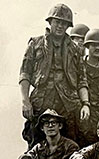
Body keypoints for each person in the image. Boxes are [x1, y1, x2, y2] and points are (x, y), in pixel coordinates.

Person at [20, 3, 90, 148]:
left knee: (71, 141)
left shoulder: (75, 49)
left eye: (64, 23)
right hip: (41, 100)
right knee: (36, 141)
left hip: (68, 103)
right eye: (57, 22)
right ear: (50, 21)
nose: (60, 26)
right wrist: (25, 101)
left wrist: (85, 104)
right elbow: (24, 74)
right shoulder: (35, 43)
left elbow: (82, 80)